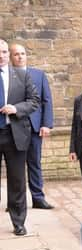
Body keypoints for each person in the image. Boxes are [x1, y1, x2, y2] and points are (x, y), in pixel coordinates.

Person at [0, 39, 40, 236]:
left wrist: (16, 109)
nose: (2, 55)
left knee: (17, 181)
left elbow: (34, 101)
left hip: (14, 134)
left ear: (9, 54)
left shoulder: (22, 76)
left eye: (5, 52)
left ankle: (18, 222)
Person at [9, 43, 55, 210]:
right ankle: (16, 202)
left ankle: (38, 198)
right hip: (13, 128)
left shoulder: (38, 74)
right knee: (16, 166)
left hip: (35, 127)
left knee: (35, 163)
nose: (20, 57)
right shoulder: (6, 76)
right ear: (11, 57)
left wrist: (46, 124)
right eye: (16, 54)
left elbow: (46, 100)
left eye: (22, 53)